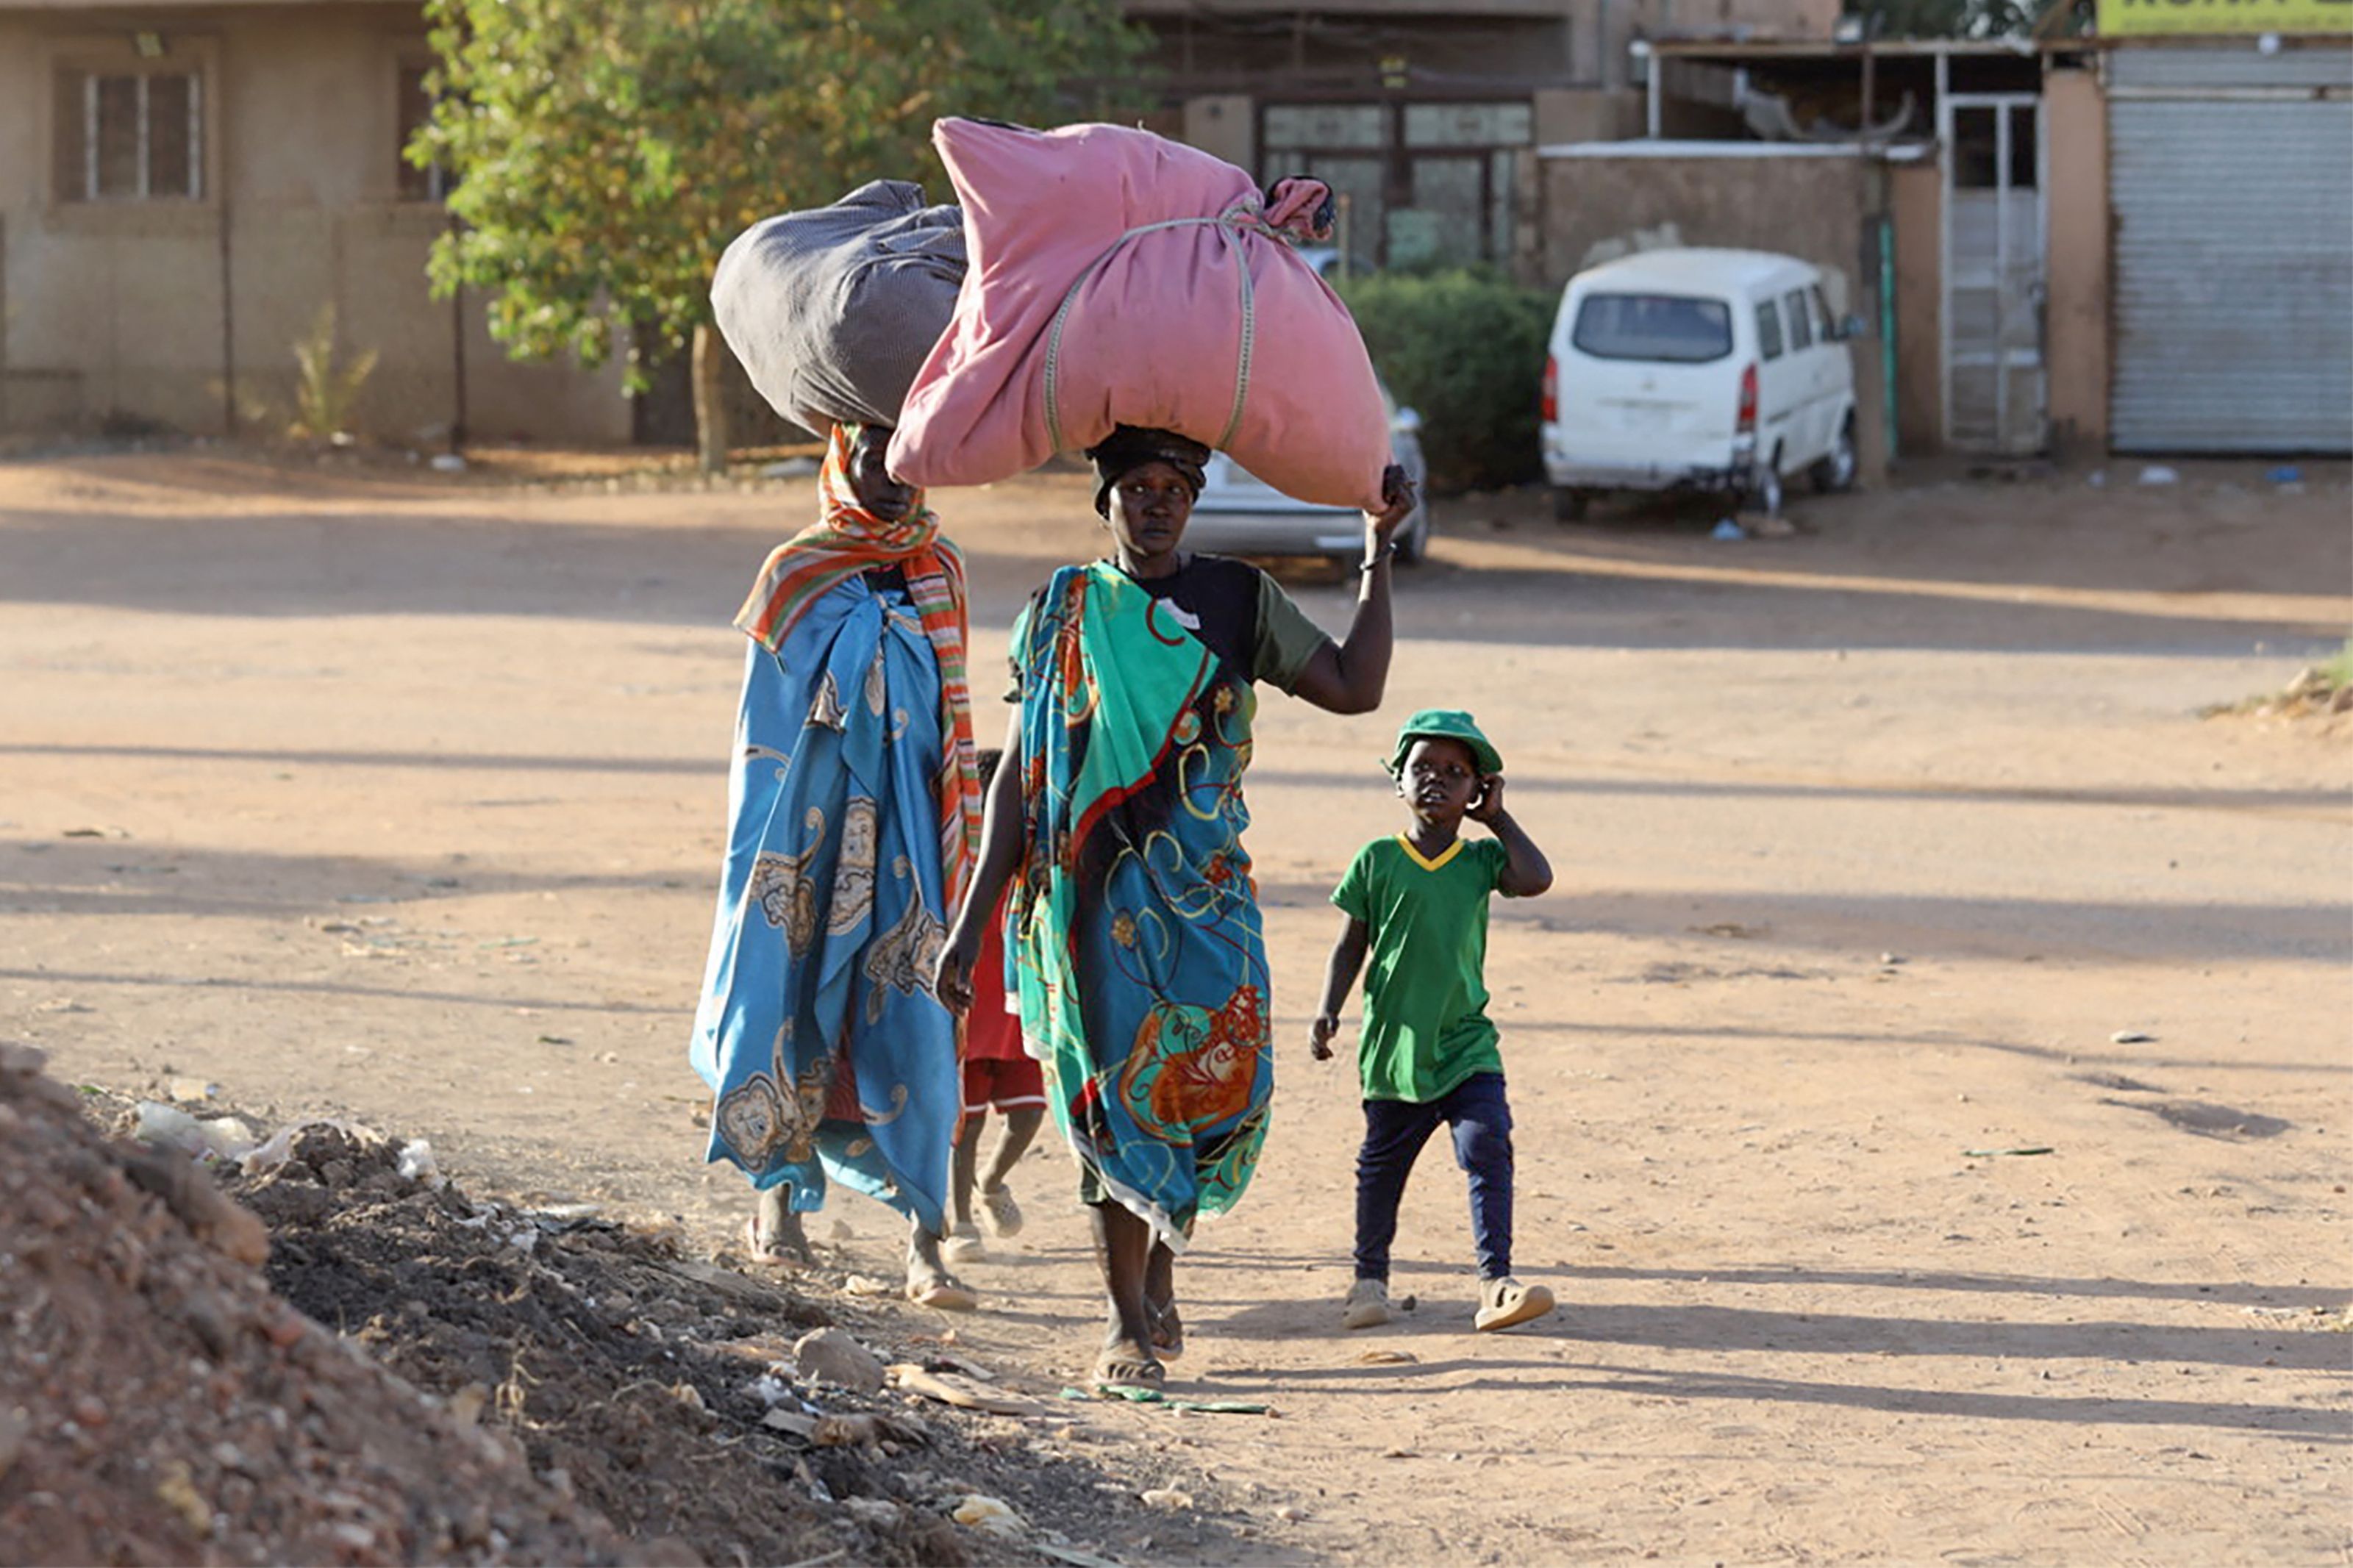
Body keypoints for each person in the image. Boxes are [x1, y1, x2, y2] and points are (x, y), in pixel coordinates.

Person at [935, 424, 1418, 1393]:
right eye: (1137, 487)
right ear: (1103, 501)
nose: (1156, 502)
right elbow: (1021, 781)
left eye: (1175, 488)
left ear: (1192, 503)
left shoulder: (1239, 599)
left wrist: (1376, 549)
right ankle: (1123, 1328)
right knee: (1112, 1102)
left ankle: (1162, 1254)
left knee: (1213, 1090)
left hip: (1207, 898)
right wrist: (972, 917)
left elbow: (1356, 689)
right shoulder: (1061, 610)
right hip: (1086, 905)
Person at [688, 422, 982, 1311]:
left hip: (910, 842)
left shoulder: (940, 573)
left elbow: (950, 724)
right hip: (801, 843)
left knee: (918, 1023)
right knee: (784, 1001)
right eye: (872, 459)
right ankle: (777, 1204)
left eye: (908, 462)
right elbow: (760, 738)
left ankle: (927, 1241)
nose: (892, 480)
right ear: (838, 458)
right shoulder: (794, 575)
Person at [1309, 709, 1557, 1333]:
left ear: (1476, 789)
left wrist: (1498, 818)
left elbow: (1537, 878)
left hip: (1467, 1043)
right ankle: (1369, 1282)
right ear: (1399, 781)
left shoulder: (1479, 862)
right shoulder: (1376, 859)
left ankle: (1497, 1283)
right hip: (1395, 1048)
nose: (1438, 781)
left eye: (1456, 772)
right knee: (1381, 1169)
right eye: (1423, 768)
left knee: (1486, 1146)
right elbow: (1350, 944)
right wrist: (1327, 1008)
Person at [944, 748, 1046, 1264]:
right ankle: (959, 1218)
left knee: (1027, 1118)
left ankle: (993, 1180)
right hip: (971, 1016)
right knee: (969, 1124)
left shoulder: (1031, 869)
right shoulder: (959, 871)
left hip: (1017, 1013)